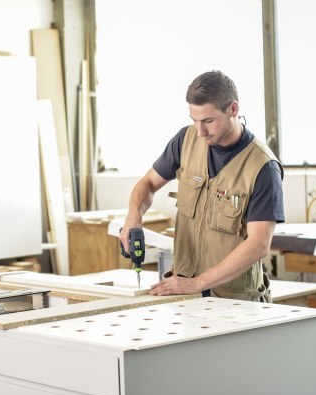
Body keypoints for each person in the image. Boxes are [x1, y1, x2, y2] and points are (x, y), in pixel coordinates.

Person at [119, 70, 284, 301]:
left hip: (235, 303)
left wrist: (197, 284)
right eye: (194, 120)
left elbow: (259, 244)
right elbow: (147, 183)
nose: (200, 131)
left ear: (233, 109)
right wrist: (132, 218)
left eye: (208, 121)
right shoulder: (185, 140)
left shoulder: (263, 167)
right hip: (184, 296)